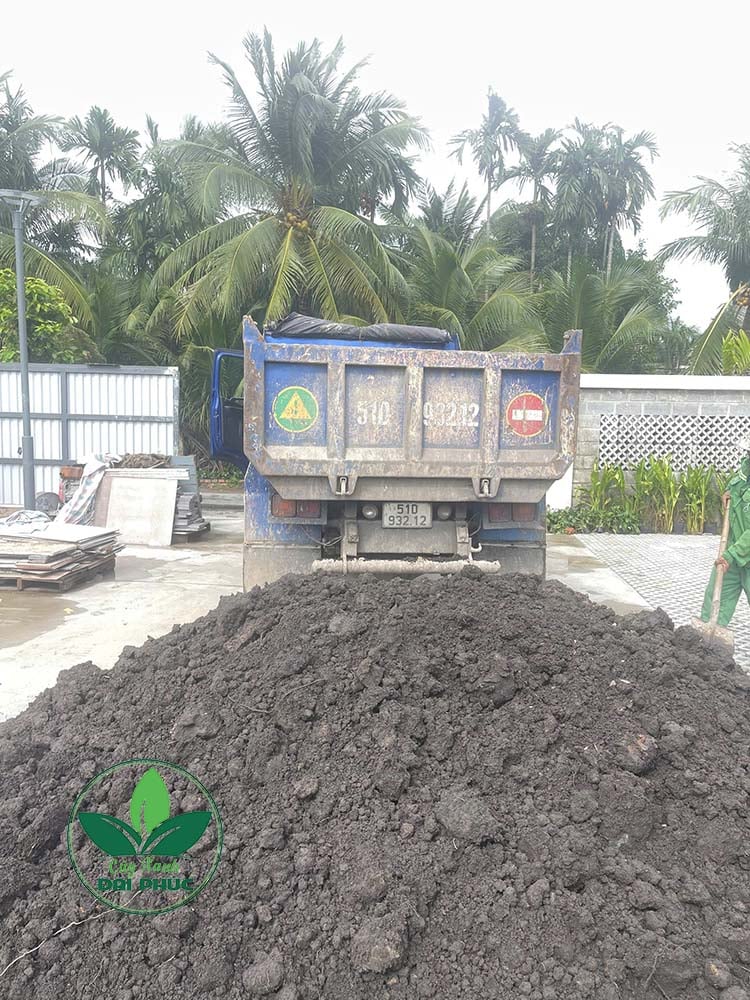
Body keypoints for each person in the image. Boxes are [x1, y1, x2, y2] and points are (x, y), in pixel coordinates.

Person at [700, 443, 750, 626]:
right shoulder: (745, 472)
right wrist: (730, 492)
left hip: (739, 552)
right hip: (734, 555)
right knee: (715, 597)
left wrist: (731, 554)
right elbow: (736, 486)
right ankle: (709, 635)